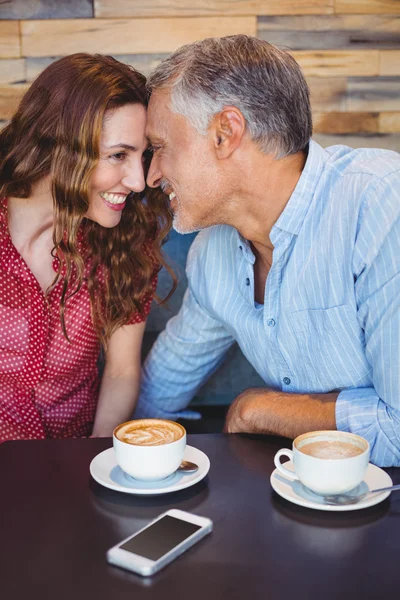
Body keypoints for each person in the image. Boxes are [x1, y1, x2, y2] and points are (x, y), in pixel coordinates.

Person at [135, 35, 400, 467]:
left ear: (226, 133)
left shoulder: (379, 206)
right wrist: (109, 462)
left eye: (160, 148)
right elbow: (164, 383)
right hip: (303, 497)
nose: (151, 175)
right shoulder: (212, 254)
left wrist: (259, 409)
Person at [0, 53, 173, 441]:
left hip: (75, 458)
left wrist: (96, 462)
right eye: (118, 156)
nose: (138, 181)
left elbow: (121, 371)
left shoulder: (128, 240)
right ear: (58, 147)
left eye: (141, 156)